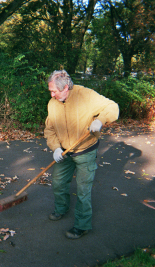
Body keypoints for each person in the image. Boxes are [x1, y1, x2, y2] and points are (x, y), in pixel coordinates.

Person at [44, 70, 119, 239]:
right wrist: (56, 148)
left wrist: (100, 120)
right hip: (64, 152)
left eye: (53, 91)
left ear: (65, 88)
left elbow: (112, 107)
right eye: (50, 91)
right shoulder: (52, 103)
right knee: (58, 182)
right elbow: (49, 129)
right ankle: (61, 209)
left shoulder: (86, 95)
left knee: (83, 190)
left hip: (85, 150)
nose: (51, 94)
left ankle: (82, 225)